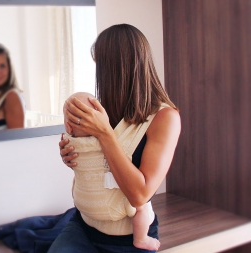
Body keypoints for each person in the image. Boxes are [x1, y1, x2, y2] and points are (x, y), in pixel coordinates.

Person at [51, 24, 181, 253]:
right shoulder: (102, 108)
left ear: (119, 67)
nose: (99, 74)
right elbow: (97, 165)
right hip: (85, 225)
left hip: (128, 237)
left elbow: (140, 194)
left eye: (101, 65)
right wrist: (73, 156)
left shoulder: (165, 118)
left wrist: (104, 133)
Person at [63, 92, 159, 251]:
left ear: (68, 126)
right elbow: (140, 198)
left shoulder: (69, 142)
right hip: (91, 221)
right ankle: (141, 238)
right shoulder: (113, 142)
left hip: (83, 203)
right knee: (141, 207)